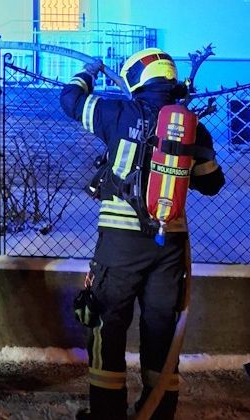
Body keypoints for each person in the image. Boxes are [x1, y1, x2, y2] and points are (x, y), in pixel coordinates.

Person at [59, 48, 225, 420]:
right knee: (161, 328)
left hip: (120, 241)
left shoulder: (117, 113)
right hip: (170, 244)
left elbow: (70, 100)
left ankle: (107, 414)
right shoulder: (193, 125)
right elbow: (212, 183)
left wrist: (87, 72)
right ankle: (158, 411)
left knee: (107, 321)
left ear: (137, 76)